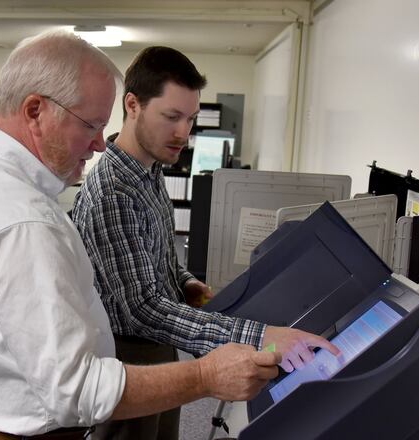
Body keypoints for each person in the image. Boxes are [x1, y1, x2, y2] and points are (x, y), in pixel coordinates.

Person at [0, 32, 282, 440]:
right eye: (90, 125)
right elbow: (78, 390)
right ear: (35, 111)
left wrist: (182, 282)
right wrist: (208, 373)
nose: (98, 144)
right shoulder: (25, 223)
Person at [72, 46, 340, 440]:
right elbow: (141, 311)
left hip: (160, 346)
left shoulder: (149, 170)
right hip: (129, 355)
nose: (185, 133)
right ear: (132, 105)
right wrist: (257, 336)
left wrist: (183, 281)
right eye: (172, 117)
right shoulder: (113, 190)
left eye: (191, 118)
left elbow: (161, 251)